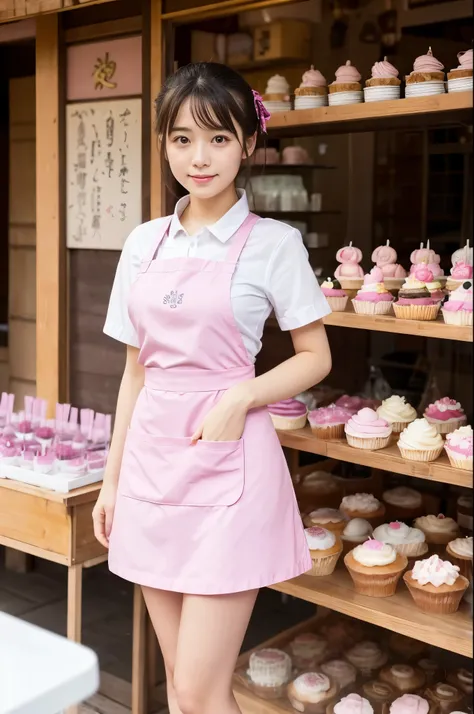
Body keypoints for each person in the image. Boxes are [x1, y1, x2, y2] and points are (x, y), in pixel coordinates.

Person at [93, 62, 332, 714]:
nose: (199, 158)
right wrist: (112, 481)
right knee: (181, 683)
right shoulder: (143, 244)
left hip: (229, 471)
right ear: (164, 143)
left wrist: (240, 396)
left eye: (219, 138)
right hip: (150, 469)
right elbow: (134, 372)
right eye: (182, 139)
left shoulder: (273, 245)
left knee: (200, 687)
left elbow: (315, 357)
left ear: (249, 144)